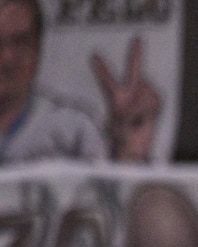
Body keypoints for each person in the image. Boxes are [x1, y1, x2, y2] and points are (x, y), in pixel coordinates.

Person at [0, 0, 161, 163]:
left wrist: (127, 150)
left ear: (38, 48)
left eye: (20, 43)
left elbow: (105, 185)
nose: (7, 58)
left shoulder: (74, 129)